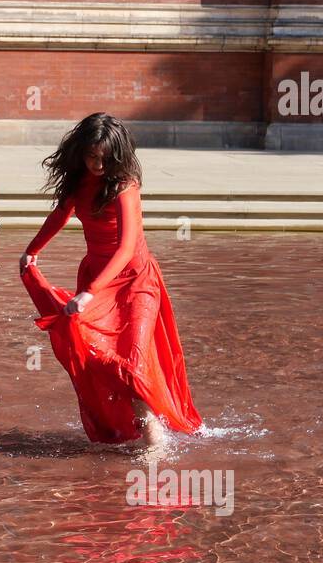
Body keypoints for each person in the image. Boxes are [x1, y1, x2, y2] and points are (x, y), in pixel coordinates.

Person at [20, 113, 201, 446]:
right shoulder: (78, 183)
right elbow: (61, 215)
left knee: (133, 360)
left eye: (104, 158)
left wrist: (89, 293)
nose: (97, 164)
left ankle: (152, 434)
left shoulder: (124, 185)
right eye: (91, 156)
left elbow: (126, 246)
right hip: (97, 279)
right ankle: (132, 422)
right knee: (87, 345)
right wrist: (32, 250)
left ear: (118, 155)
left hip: (135, 282)